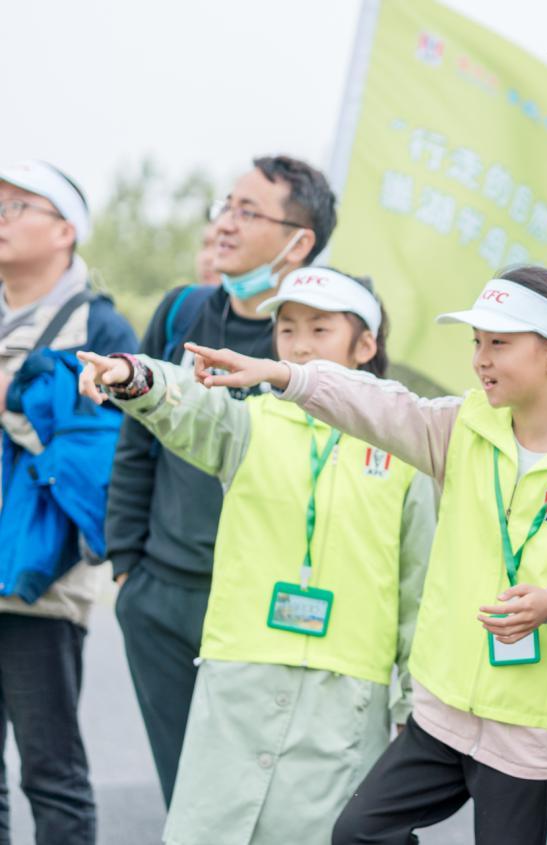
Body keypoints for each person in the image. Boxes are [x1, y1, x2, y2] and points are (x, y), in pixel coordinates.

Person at [181, 266, 547, 845]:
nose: (481, 359)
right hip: (441, 714)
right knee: (357, 834)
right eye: (477, 342)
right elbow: (375, 402)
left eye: (499, 343)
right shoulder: (463, 427)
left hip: (529, 734)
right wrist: (285, 375)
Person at [78, 267, 434, 844]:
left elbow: (422, 591)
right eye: (287, 329)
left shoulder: (405, 449)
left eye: (319, 330)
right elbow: (186, 405)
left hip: (346, 696)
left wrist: (414, 708)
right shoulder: (248, 424)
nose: (297, 344)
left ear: (365, 345)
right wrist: (133, 376)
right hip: (239, 680)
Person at [106, 154, 337, 805]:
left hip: (265, 606)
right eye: (226, 207)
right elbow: (136, 444)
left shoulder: (325, 337)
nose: (227, 224)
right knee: (186, 794)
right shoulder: (181, 311)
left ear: (300, 241)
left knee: (262, 800)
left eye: (248, 211)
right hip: (162, 594)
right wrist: (129, 569)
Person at [0, 160, 138, 844]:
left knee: (50, 771)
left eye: (17, 205)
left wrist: (17, 399)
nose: (1, 217)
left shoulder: (101, 330)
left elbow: (106, 459)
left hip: (43, 583)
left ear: (65, 231)